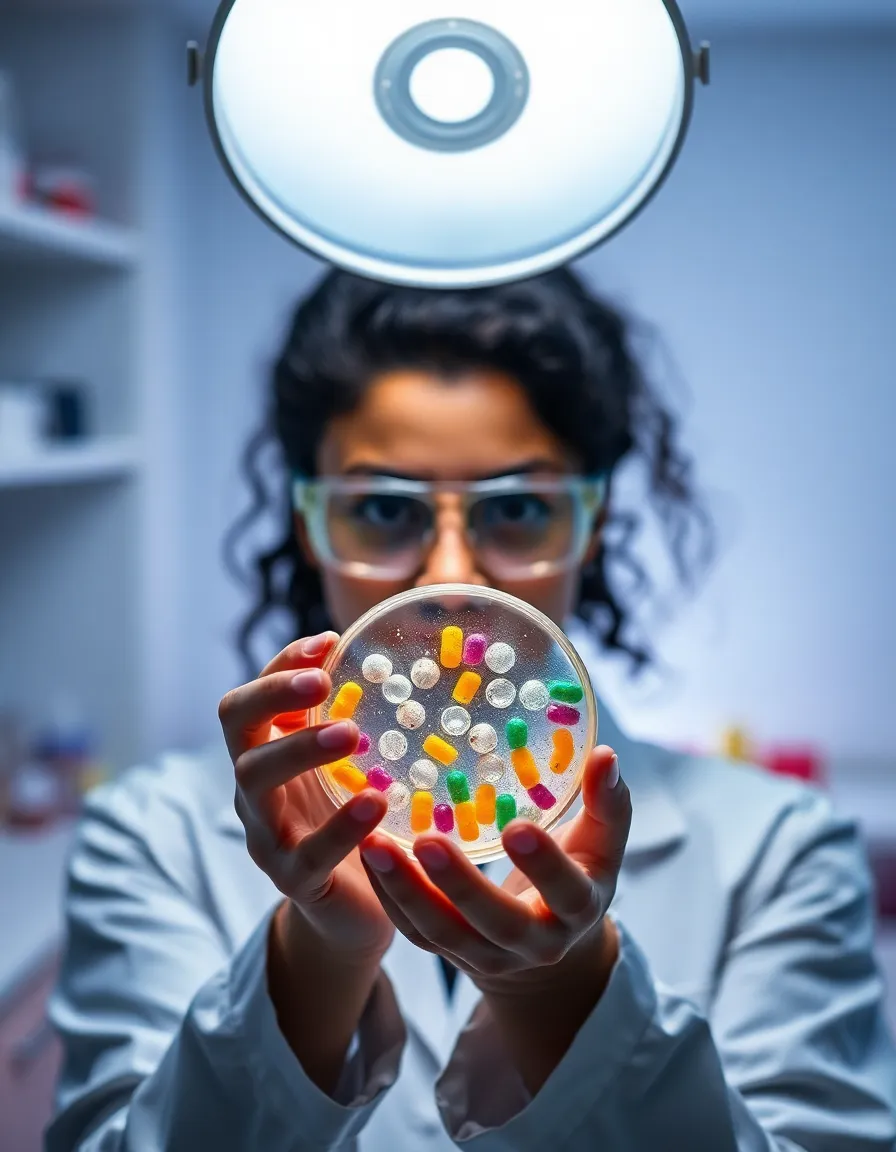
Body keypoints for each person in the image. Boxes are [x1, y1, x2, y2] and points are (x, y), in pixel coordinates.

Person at [47, 268, 896, 1151]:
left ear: (592, 524)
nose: (451, 576)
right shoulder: (148, 835)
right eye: (383, 508)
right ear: (309, 525)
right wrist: (315, 961)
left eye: (519, 508)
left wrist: (564, 993)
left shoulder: (783, 852)